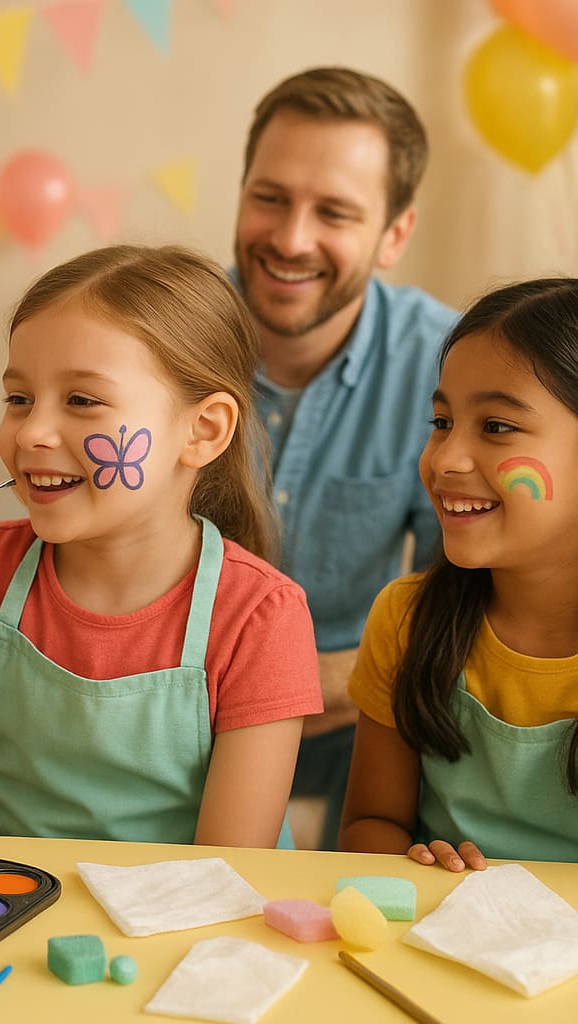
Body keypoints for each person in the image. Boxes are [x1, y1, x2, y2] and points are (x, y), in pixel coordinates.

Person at [0, 244, 322, 847]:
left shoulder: (262, 617)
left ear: (203, 431)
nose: (33, 433)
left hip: (185, 902)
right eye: (19, 399)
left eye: (82, 401)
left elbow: (229, 861)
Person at [231, 67, 458, 849]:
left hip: (366, 710)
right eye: (270, 197)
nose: (291, 239)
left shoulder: (453, 367)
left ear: (394, 234)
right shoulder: (159, 343)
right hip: (184, 711)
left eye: (333, 212)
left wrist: (329, 681)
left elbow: (470, 597)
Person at [340, 278, 578, 869]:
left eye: (496, 427)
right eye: (442, 421)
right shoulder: (406, 618)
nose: (445, 459)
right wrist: (421, 865)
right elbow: (370, 825)